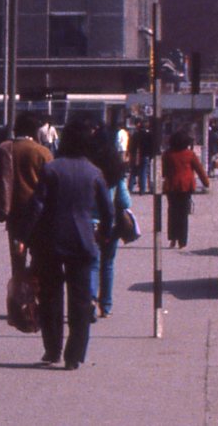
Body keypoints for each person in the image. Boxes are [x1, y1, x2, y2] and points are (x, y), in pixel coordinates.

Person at [28, 118, 112, 370]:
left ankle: (52, 350)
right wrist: (104, 234)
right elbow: (108, 211)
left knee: (51, 297)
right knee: (80, 300)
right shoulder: (94, 173)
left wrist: (27, 236)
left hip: (51, 241)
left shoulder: (52, 169)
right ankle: (74, 354)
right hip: (83, 242)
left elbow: (37, 206)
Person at [0, 112, 54, 275]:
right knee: (39, 260)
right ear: (35, 131)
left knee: (17, 263)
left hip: (14, 212)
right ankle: (34, 294)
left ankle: (17, 295)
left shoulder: (4, 149)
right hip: (38, 215)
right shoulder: (42, 152)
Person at [88, 127, 131, 318]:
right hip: (110, 224)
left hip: (89, 223)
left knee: (92, 263)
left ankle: (90, 299)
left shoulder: (87, 166)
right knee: (108, 264)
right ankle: (106, 305)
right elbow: (125, 201)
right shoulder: (115, 169)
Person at [161, 128, 211, 248]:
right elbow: (199, 169)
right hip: (186, 187)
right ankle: (182, 241)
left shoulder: (167, 154)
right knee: (183, 214)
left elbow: (164, 172)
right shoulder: (190, 154)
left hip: (171, 186)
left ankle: (172, 238)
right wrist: (206, 183)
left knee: (172, 213)